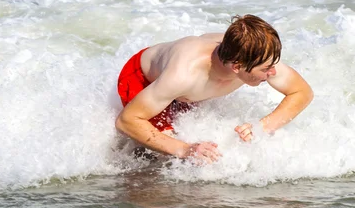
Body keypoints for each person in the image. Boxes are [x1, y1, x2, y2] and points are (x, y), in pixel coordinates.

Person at [115, 14, 313, 163]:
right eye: (265, 69)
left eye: (272, 65)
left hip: (185, 92)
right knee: (164, 160)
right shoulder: (184, 74)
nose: (272, 72)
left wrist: (264, 126)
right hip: (142, 80)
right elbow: (127, 120)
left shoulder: (256, 56)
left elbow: (302, 92)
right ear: (237, 66)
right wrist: (185, 149)